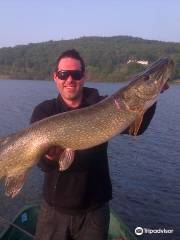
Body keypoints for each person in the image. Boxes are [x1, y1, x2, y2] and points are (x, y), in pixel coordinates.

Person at [30, 49, 167, 240]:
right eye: (63, 74)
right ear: (55, 77)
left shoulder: (105, 103)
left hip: (95, 211)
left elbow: (137, 129)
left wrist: (151, 99)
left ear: (84, 76)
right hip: (54, 211)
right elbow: (42, 165)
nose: (69, 79)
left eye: (76, 74)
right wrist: (50, 157)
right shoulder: (44, 111)